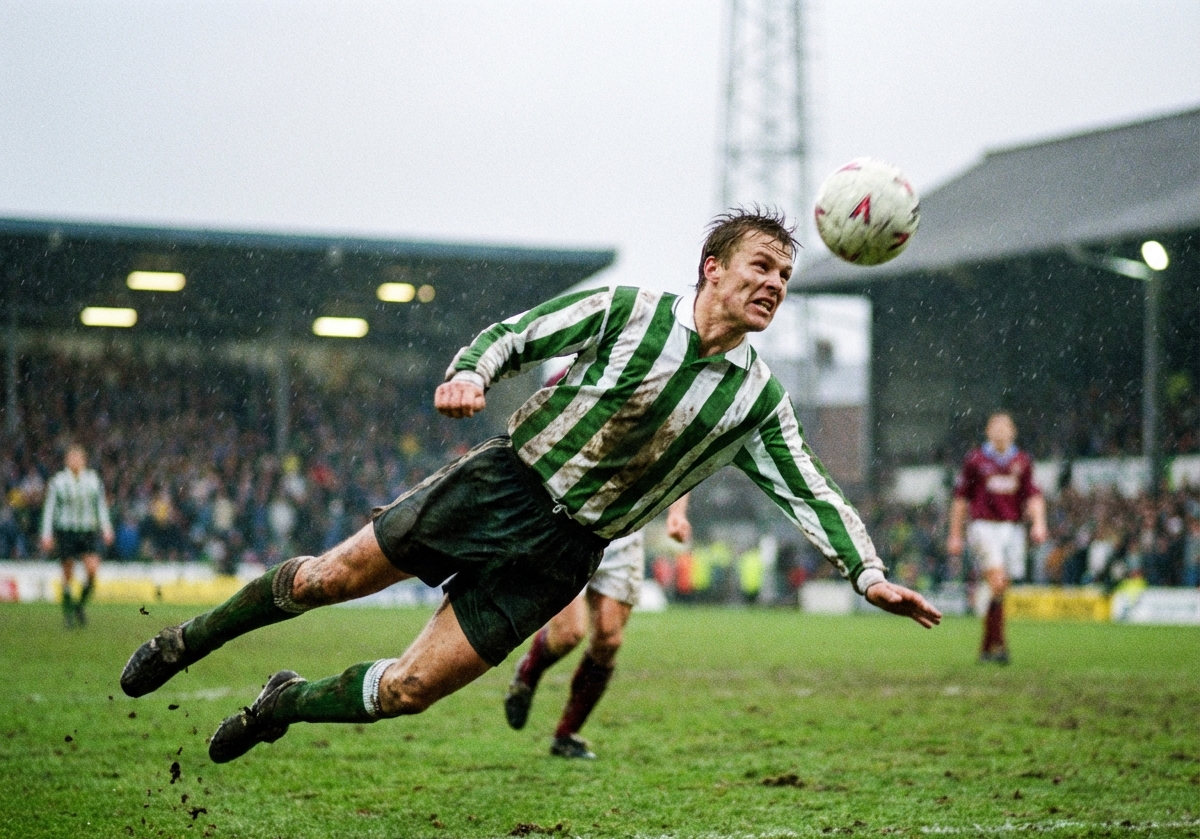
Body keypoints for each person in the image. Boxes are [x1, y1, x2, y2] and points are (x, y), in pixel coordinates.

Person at [120, 208, 941, 764]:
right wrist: (472, 374)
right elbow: (521, 333)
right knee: (325, 580)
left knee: (410, 690)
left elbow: (813, 490)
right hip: (502, 484)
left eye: (785, 278)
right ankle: (186, 642)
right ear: (712, 268)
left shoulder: (758, 398)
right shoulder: (628, 312)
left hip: (562, 555)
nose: (773, 285)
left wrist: (867, 572)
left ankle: (283, 705)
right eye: (761, 266)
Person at [504, 494, 692, 759]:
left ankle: (566, 736)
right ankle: (528, 672)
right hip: (574, 524)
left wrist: (677, 514)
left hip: (626, 533)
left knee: (609, 640)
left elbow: (679, 455)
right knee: (569, 634)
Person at [946, 412, 1047, 663]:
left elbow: (1033, 495)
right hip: (983, 526)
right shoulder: (976, 460)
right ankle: (1000, 646)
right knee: (998, 582)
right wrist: (955, 535)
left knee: (999, 590)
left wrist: (1039, 524)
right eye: (996, 427)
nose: (1001, 432)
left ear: (1013, 432)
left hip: (1012, 529)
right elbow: (961, 499)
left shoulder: (1022, 461)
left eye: (1005, 427)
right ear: (988, 431)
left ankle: (987, 647)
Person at [40, 445, 114, 627]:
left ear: (83, 460)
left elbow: (100, 506)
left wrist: (106, 528)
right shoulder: (58, 481)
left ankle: (79, 605)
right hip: (66, 531)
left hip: (87, 531)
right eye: (71, 458)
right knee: (67, 572)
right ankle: (68, 616)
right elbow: (49, 509)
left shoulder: (93, 480)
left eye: (78, 458)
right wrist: (46, 534)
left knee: (92, 570)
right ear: (67, 460)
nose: (75, 461)